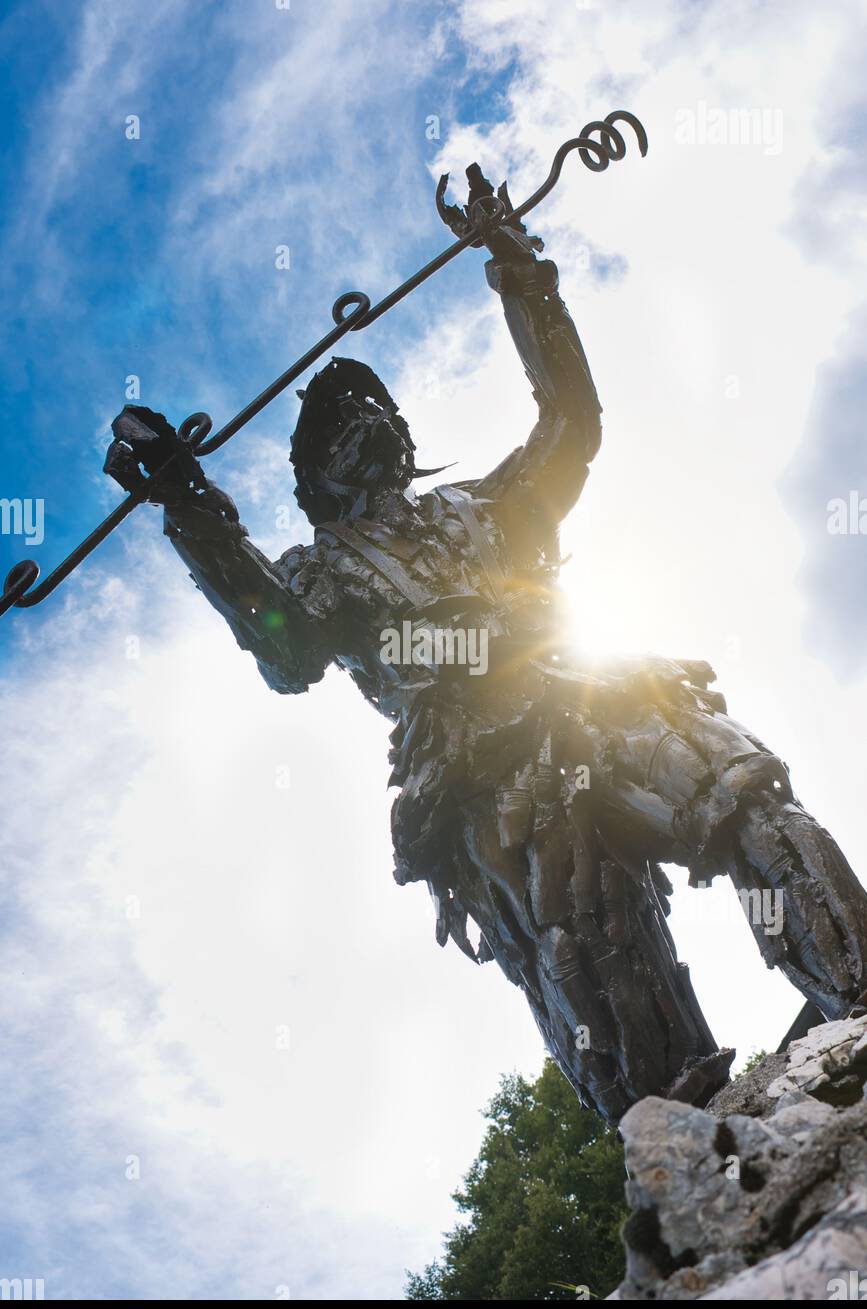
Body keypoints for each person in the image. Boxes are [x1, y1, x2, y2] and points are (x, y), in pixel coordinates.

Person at [105, 168, 867, 1121]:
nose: (371, 424)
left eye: (380, 413)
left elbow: (570, 425)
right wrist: (191, 504)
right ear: (312, 480)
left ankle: (858, 1002)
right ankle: (688, 1143)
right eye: (342, 426)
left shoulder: (484, 509)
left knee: (746, 796)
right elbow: (284, 646)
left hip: (594, 693)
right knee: (592, 963)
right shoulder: (320, 569)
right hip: (479, 771)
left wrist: (519, 271)